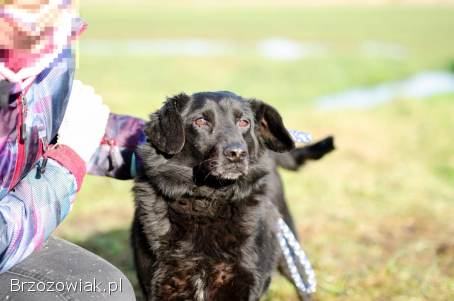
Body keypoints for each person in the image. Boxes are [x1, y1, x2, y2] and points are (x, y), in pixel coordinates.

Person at [0, 1, 144, 300]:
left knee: (104, 289)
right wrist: (67, 162)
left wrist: (186, 147)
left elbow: (45, 128)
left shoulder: (48, 47)